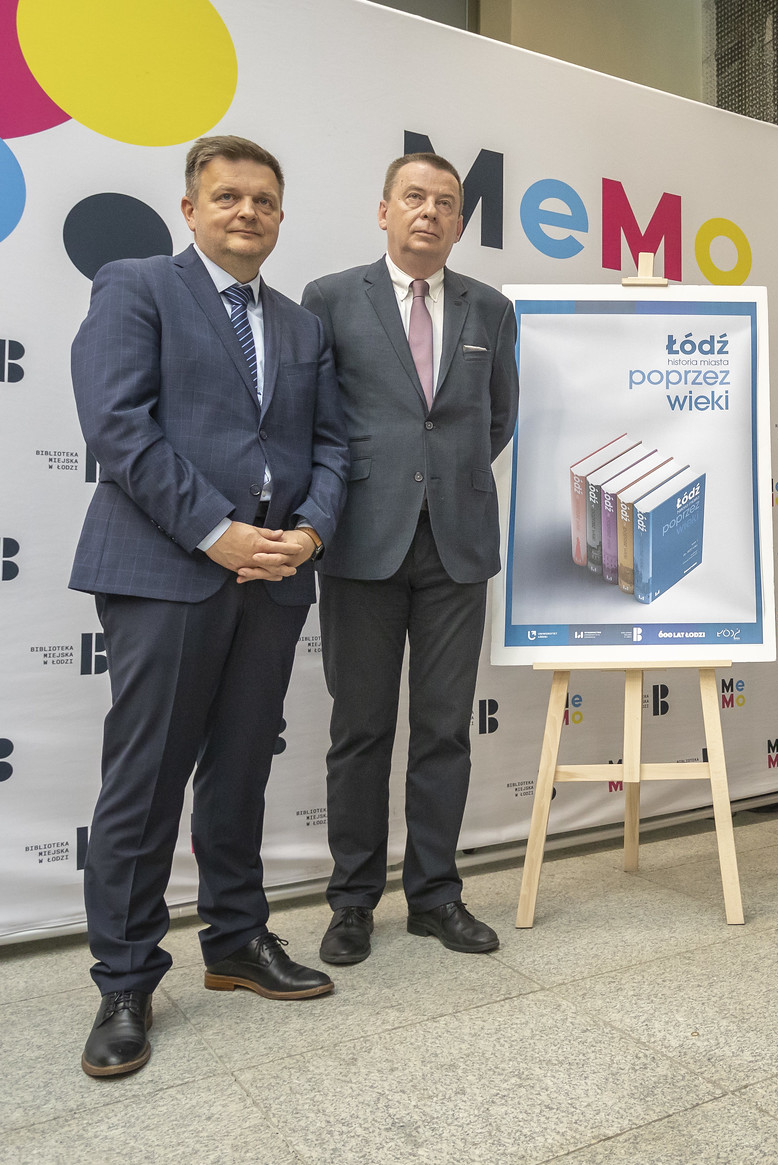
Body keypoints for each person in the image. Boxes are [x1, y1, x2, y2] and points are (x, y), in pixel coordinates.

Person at [70, 135, 347, 1078]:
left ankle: (235, 940)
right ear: (190, 209)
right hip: (166, 570)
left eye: (265, 200)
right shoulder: (137, 284)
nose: (247, 212)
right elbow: (118, 426)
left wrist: (307, 534)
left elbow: (333, 447)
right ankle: (125, 978)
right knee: (144, 781)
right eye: (227, 196)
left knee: (239, 770)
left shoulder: (302, 327)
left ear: (280, 216)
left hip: (273, 579)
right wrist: (214, 531)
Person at [301, 154, 517, 966]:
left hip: (456, 545)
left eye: (446, 203)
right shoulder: (329, 299)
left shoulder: (490, 310)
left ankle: (435, 894)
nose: (429, 212)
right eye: (414, 198)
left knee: (442, 730)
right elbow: (315, 416)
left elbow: (498, 417)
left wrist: (444, 481)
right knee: (359, 729)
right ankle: (352, 901)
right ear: (383, 210)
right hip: (361, 539)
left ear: (460, 223)